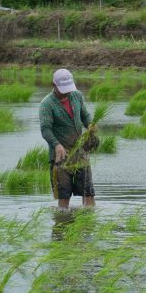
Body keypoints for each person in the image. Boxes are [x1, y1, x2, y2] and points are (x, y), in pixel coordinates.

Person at [39, 68, 99, 209]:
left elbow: (85, 115)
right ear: (54, 85)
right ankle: (62, 224)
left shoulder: (76, 95)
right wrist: (56, 144)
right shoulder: (46, 104)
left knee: (88, 192)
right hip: (61, 155)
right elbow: (45, 129)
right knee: (64, 196)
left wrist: (91, 124)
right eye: (63, 89)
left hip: (80, 152)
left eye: (68, 89)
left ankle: (88, 223)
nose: (67, 92)